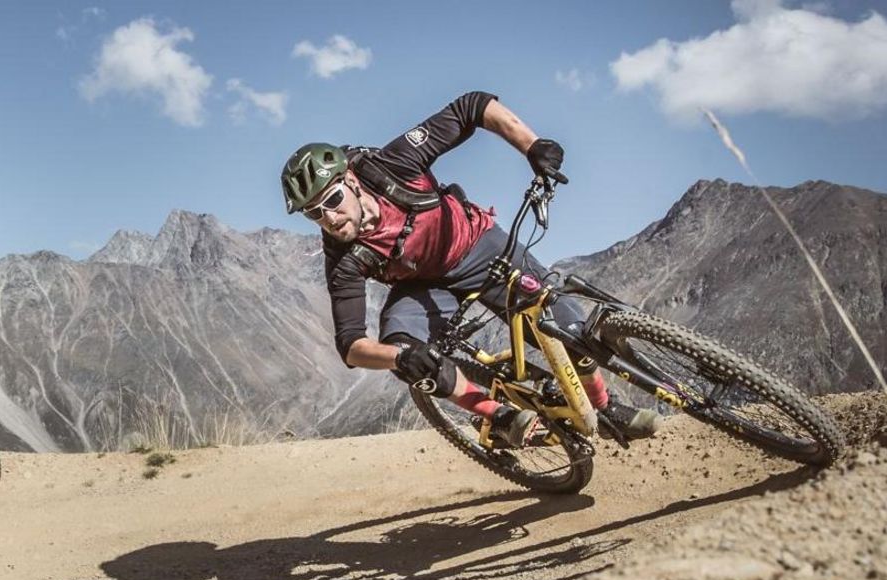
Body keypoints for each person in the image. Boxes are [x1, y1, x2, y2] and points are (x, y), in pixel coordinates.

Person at [280, 91, 660, 448]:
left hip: (478, 246)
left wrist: (531, 145)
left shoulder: (392, 166)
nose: (328, 217)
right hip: (422, 286)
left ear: (350, 181)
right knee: (405, 353)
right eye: (314, 213)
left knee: (568, 328)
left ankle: (605, 407)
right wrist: (399, 358)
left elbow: (472, 106)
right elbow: (351, 346)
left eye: (331, 200)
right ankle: (499, 417)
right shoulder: (343, 257)